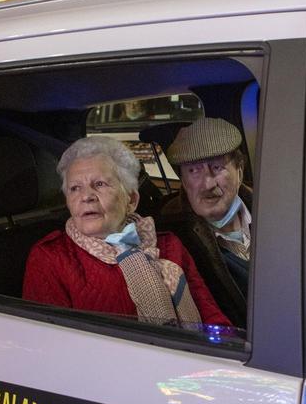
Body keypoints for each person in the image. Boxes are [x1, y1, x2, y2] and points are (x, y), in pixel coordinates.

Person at [23, 136, 230, 329]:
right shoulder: (51, 258)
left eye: (99, 184)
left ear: (131, 200)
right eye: (75, 188)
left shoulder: (168, 245)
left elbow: (211, 316)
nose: (86, 196)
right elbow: (52, 345)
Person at [161, 117, 251, 323]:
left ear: (240, 169)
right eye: (194, 171)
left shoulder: (276, 210)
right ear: (183, 181)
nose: (207, 183)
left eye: (217, 167)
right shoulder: (172, 239)